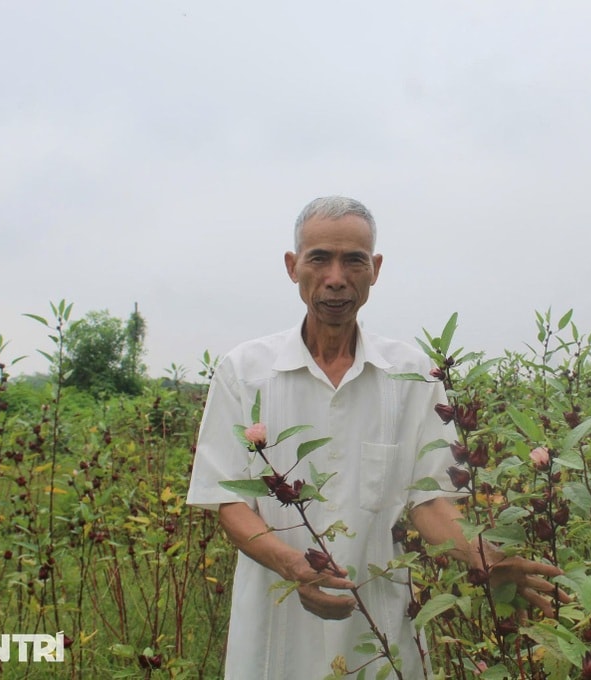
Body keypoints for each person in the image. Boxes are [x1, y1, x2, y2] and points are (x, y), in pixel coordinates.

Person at [187, 196, 566, 679]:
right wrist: (292, 566)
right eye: (319, 258)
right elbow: (229, 500)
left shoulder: (411, 374)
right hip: (275, 619)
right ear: (292, 266)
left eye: (354, 261)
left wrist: (481, 561)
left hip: (381, 618)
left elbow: (430, 500)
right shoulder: (245, 371)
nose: (336, 277)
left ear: (375, 269)